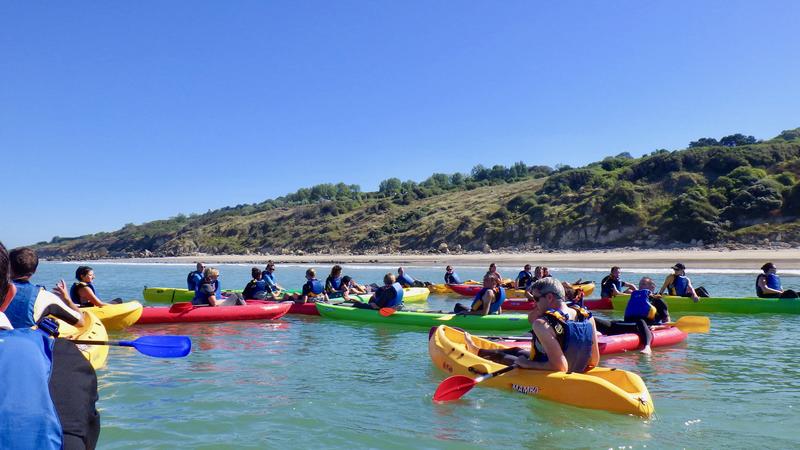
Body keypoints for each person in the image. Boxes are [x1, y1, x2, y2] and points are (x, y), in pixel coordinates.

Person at [0, 241, 101, 450]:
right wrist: (65, 298)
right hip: (29, 360)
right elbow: (80, 322)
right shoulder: (42, 296)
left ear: (11, 269)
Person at [465, 277, 599, 373]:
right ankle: (477, 350)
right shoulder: (587, 317)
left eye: (536, 299)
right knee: (516, 351)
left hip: (555, 374)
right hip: (576, 369)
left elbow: (560, 367)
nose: (534, 303)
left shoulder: (543, 324)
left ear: (550, 297)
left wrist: (527, 364)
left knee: (505, 357)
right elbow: (594, 360)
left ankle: (477, 353)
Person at [2, 247, 84, 329]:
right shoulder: (45, 297)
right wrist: (67, 299)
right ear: (35, 270)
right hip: (21, 340)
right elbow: (80, 322)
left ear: (8, 266)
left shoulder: (3, 288)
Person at [594, 277, 670, 354]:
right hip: (628, 325)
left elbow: (667, 324)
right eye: (640, 284)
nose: (640, 286)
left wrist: (657, 327)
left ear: (652, 287)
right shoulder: (635, 298)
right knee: (597, 320)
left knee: (640, 321)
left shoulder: (659, 301)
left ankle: (647, 347)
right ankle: (594, 337)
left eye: (643, 284)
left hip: (644, 327)